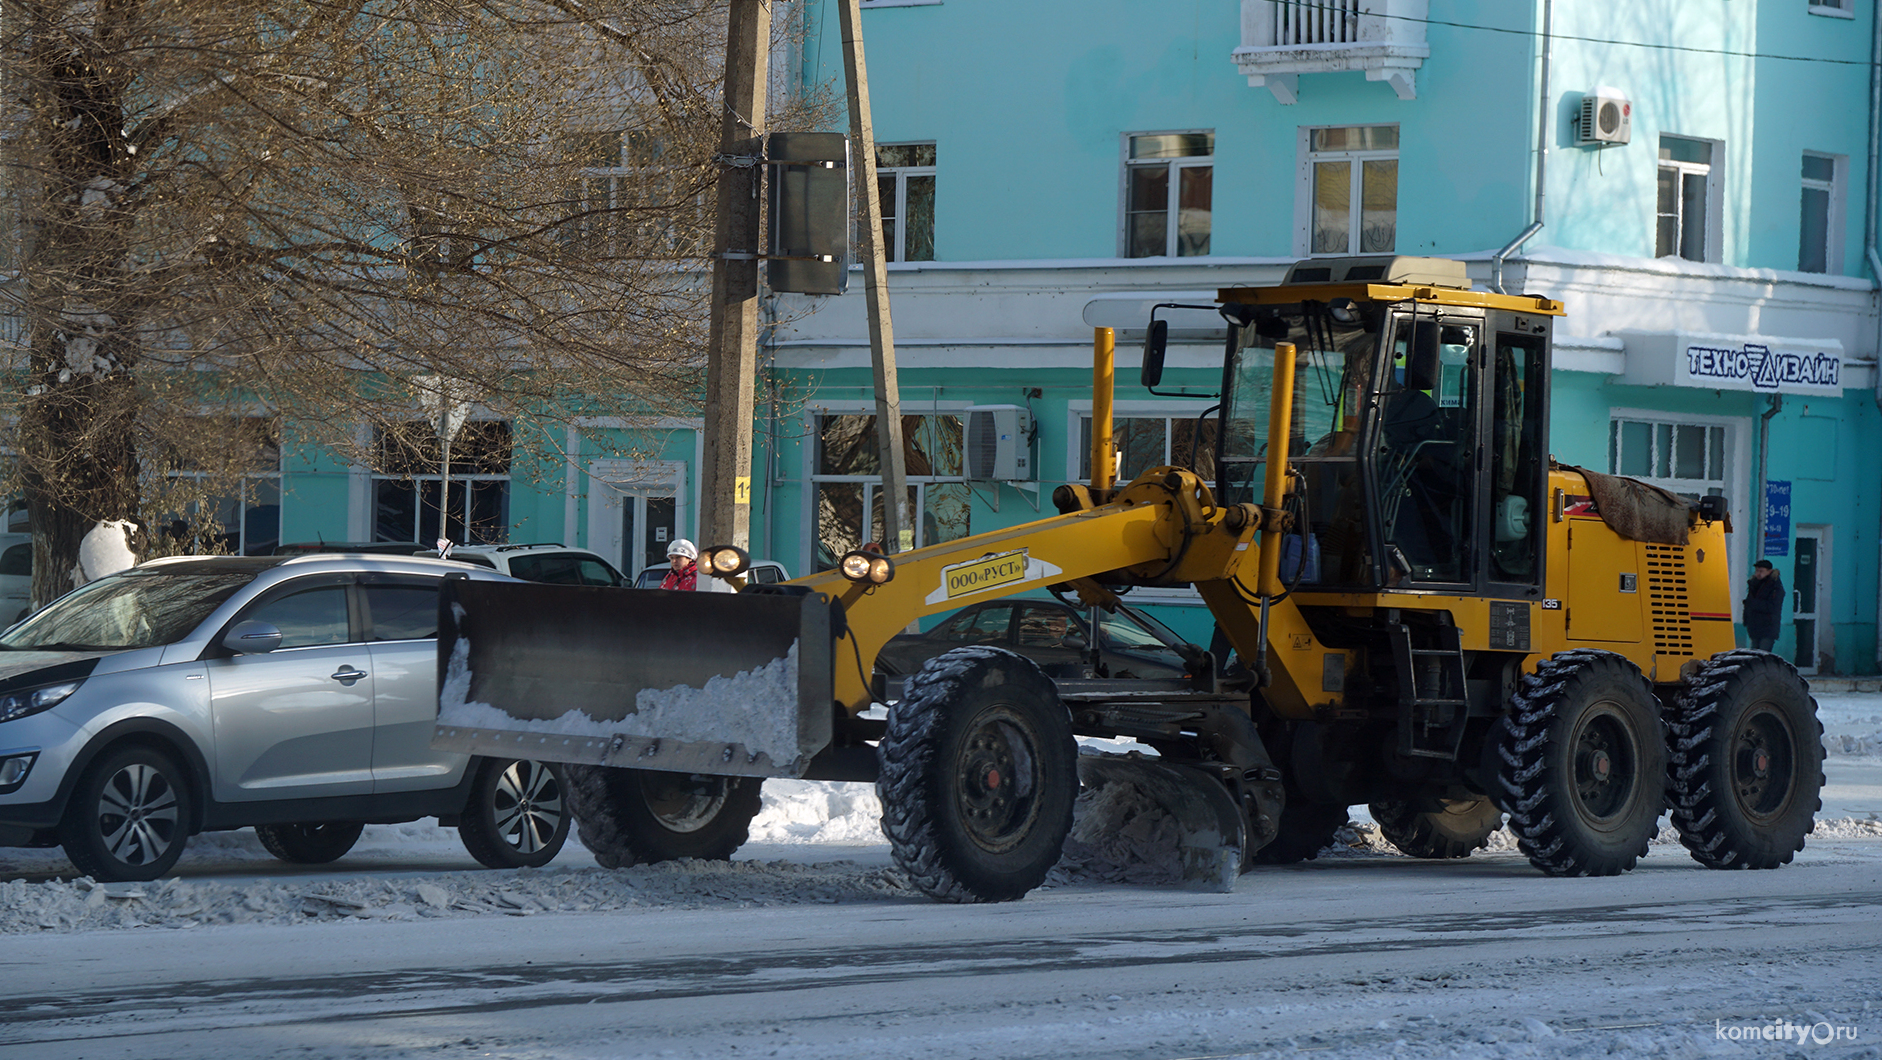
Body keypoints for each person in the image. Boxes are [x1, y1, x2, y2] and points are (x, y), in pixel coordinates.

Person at [1743, 559, 1785, 652]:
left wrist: (1752, 604)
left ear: (1769, 571)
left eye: (1761, 571)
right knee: (1754, 655)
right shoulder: (1754, 584)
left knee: (1763, 654)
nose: (1758, 573)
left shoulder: (1775, 586)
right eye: (1757, 571)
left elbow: (1773, 606)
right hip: (1754, 626)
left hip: (1768, 627)